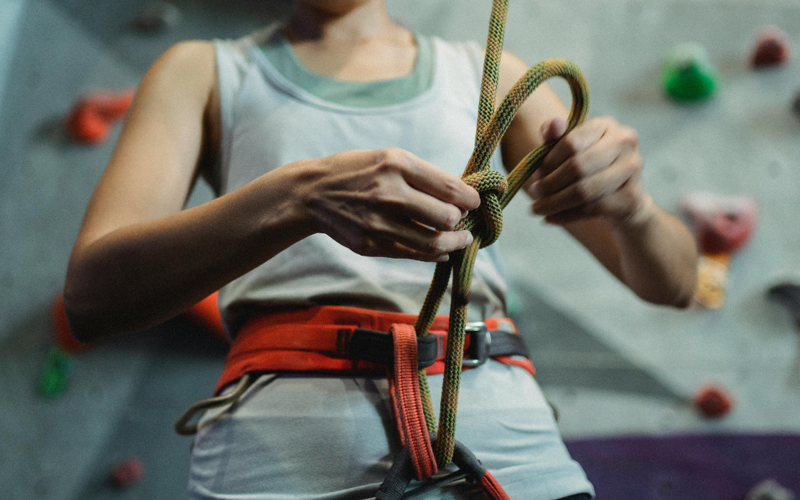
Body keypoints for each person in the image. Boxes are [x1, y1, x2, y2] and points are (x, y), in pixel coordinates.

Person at [63, 0, 698, 498]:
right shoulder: (204, 71)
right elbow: (92, 298)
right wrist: (299, 197)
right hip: (278, 465)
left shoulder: (488, 75)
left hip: (507, 448)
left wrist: (631, 205)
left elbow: (673, 283)